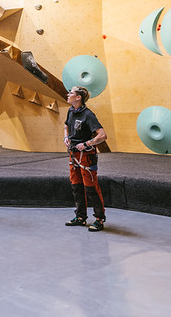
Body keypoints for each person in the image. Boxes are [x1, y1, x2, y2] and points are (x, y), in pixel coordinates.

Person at [63, 86, 107, 232]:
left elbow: (102, 135)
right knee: (76, 186)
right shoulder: (71, 111)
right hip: (73, 154)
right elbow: (65, 126)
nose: (68, 94)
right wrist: (66, 137)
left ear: (78, 97)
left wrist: (87, 143)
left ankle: (99, 219)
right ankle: (81, 217)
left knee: (91, 188)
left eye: (71, 93)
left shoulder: (88, 115)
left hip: (86, 156)